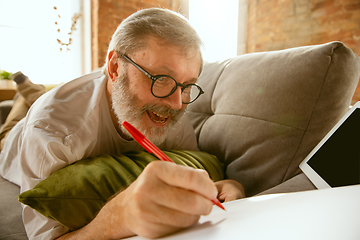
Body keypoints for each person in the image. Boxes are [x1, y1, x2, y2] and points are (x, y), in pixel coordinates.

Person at [0, 8, 245, 240]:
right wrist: (118, 217)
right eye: (160, 79)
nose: (176, 104)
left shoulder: (170, 104)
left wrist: (227, 185)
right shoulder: (53, 128)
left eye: (187, 85)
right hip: (12, 141)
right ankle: (27, 92)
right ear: (116, 67)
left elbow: (187, 172)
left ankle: (30, 91)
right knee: (17, 117)